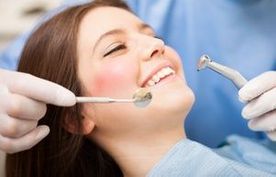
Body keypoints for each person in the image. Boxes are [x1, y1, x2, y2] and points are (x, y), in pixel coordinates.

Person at [4, 1, 276, 177]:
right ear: (76, 117)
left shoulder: (245, 150)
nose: (157, 45)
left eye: (154, 36)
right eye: (116, 48)